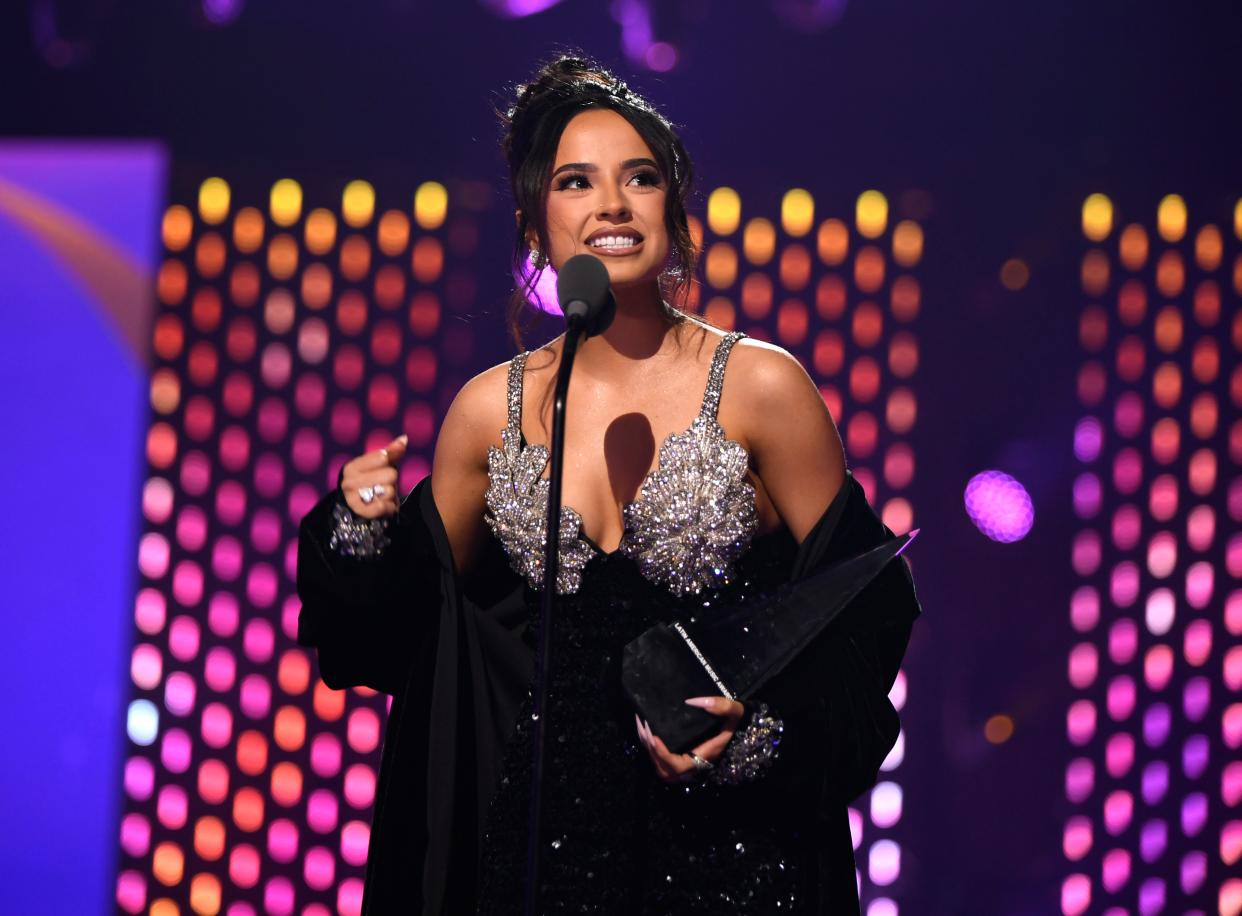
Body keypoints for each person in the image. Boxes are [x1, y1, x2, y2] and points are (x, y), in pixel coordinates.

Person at [297, 55, 921, 915]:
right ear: (533, 223)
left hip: (729, 851)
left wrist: (759, 738)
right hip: (541, 852)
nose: (613, 206)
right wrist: (361, 529)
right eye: (576, 182)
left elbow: (863, 609)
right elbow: (408, 633)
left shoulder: (760, 387)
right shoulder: (490, 411)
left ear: (675, 208)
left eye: (641, 178)